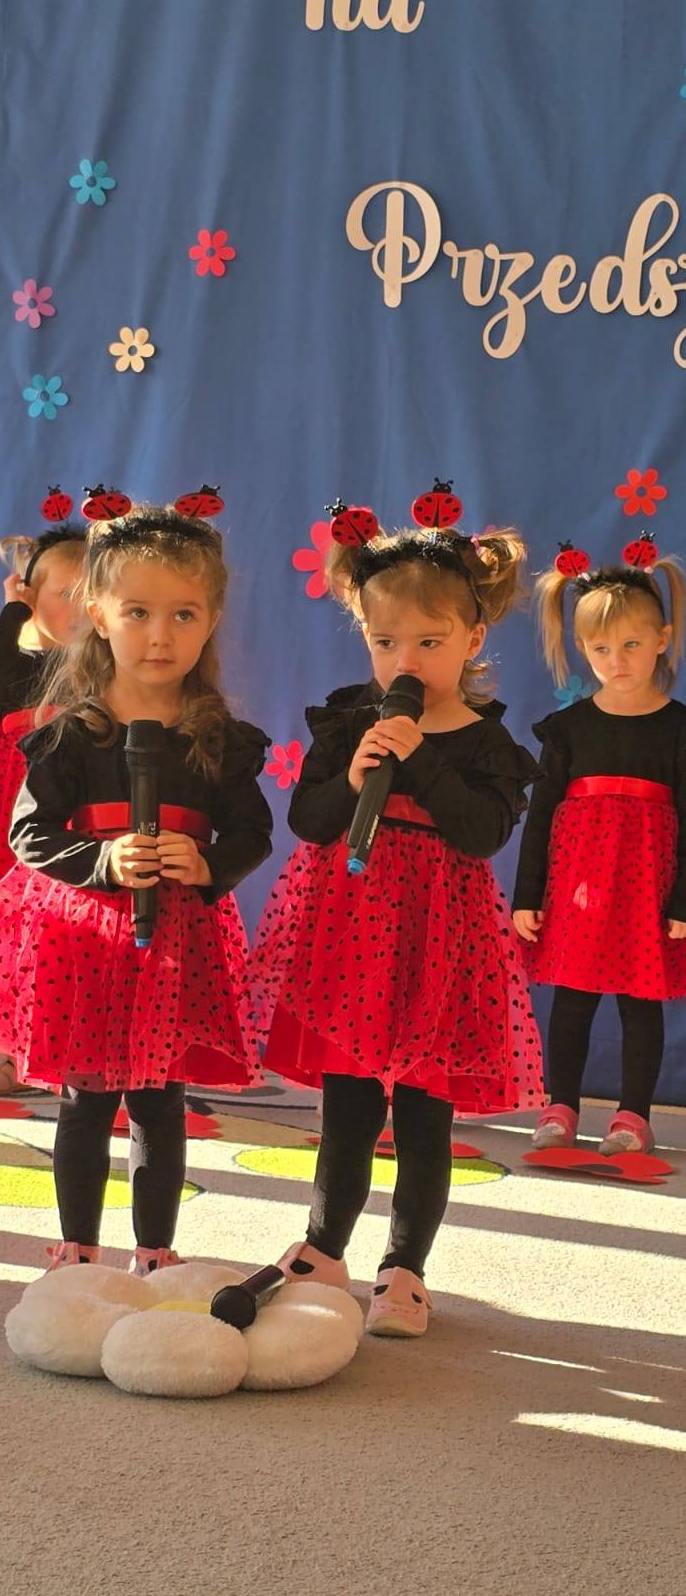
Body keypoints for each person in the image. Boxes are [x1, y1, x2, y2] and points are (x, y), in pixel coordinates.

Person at [251, 518, 543, 1336]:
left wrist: (420, 757)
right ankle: (323, 1249)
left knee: (423, 1114)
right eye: (384, 643)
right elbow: (307, 822)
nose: (403, 662)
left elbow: (480, 834)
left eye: (427, 642)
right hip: (351, 933)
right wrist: (353, 776)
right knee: (346, 1106)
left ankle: (404, 1270)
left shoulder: (486, 742)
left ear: (472, 639)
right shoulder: (349, 721)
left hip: (437, 943)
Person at [0, 502, 273, 1274]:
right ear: (98, 614)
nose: (159, 635)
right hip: (84, 941)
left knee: (159, 1102)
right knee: (86, 1099)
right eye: (137, 612)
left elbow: (251, 834)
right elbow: (30, 836)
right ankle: (77, 1248)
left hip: (175, 942)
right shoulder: (71, 733)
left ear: (211, 621)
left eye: (182, 614)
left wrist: (206, 864)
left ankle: (154, 1252)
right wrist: (103, 863)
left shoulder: (219, 740)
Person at [513, 543, 686, 1155]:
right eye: (601, 648)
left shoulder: (679, 729)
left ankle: (633, 1116)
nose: (617, 660)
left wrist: (682, 901)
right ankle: (560, 1107)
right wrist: (528, 896)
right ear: (583, 649)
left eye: (632, 644)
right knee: (573, 999)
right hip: (579, 891)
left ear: (662, 639)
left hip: (647, 892)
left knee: (641, 1003)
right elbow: (540, 819)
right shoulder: (568, 729)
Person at [0, 525, 86, 1094]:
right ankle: (9, 1053)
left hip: (80, 808)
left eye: (92, 595)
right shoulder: (19, 665)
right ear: (32, 598)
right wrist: (14, 609)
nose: (79, 608)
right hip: (15, 808)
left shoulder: (107, 667)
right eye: (64, 594)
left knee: (69, 933)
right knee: (12, 931)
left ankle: (73, 1054)